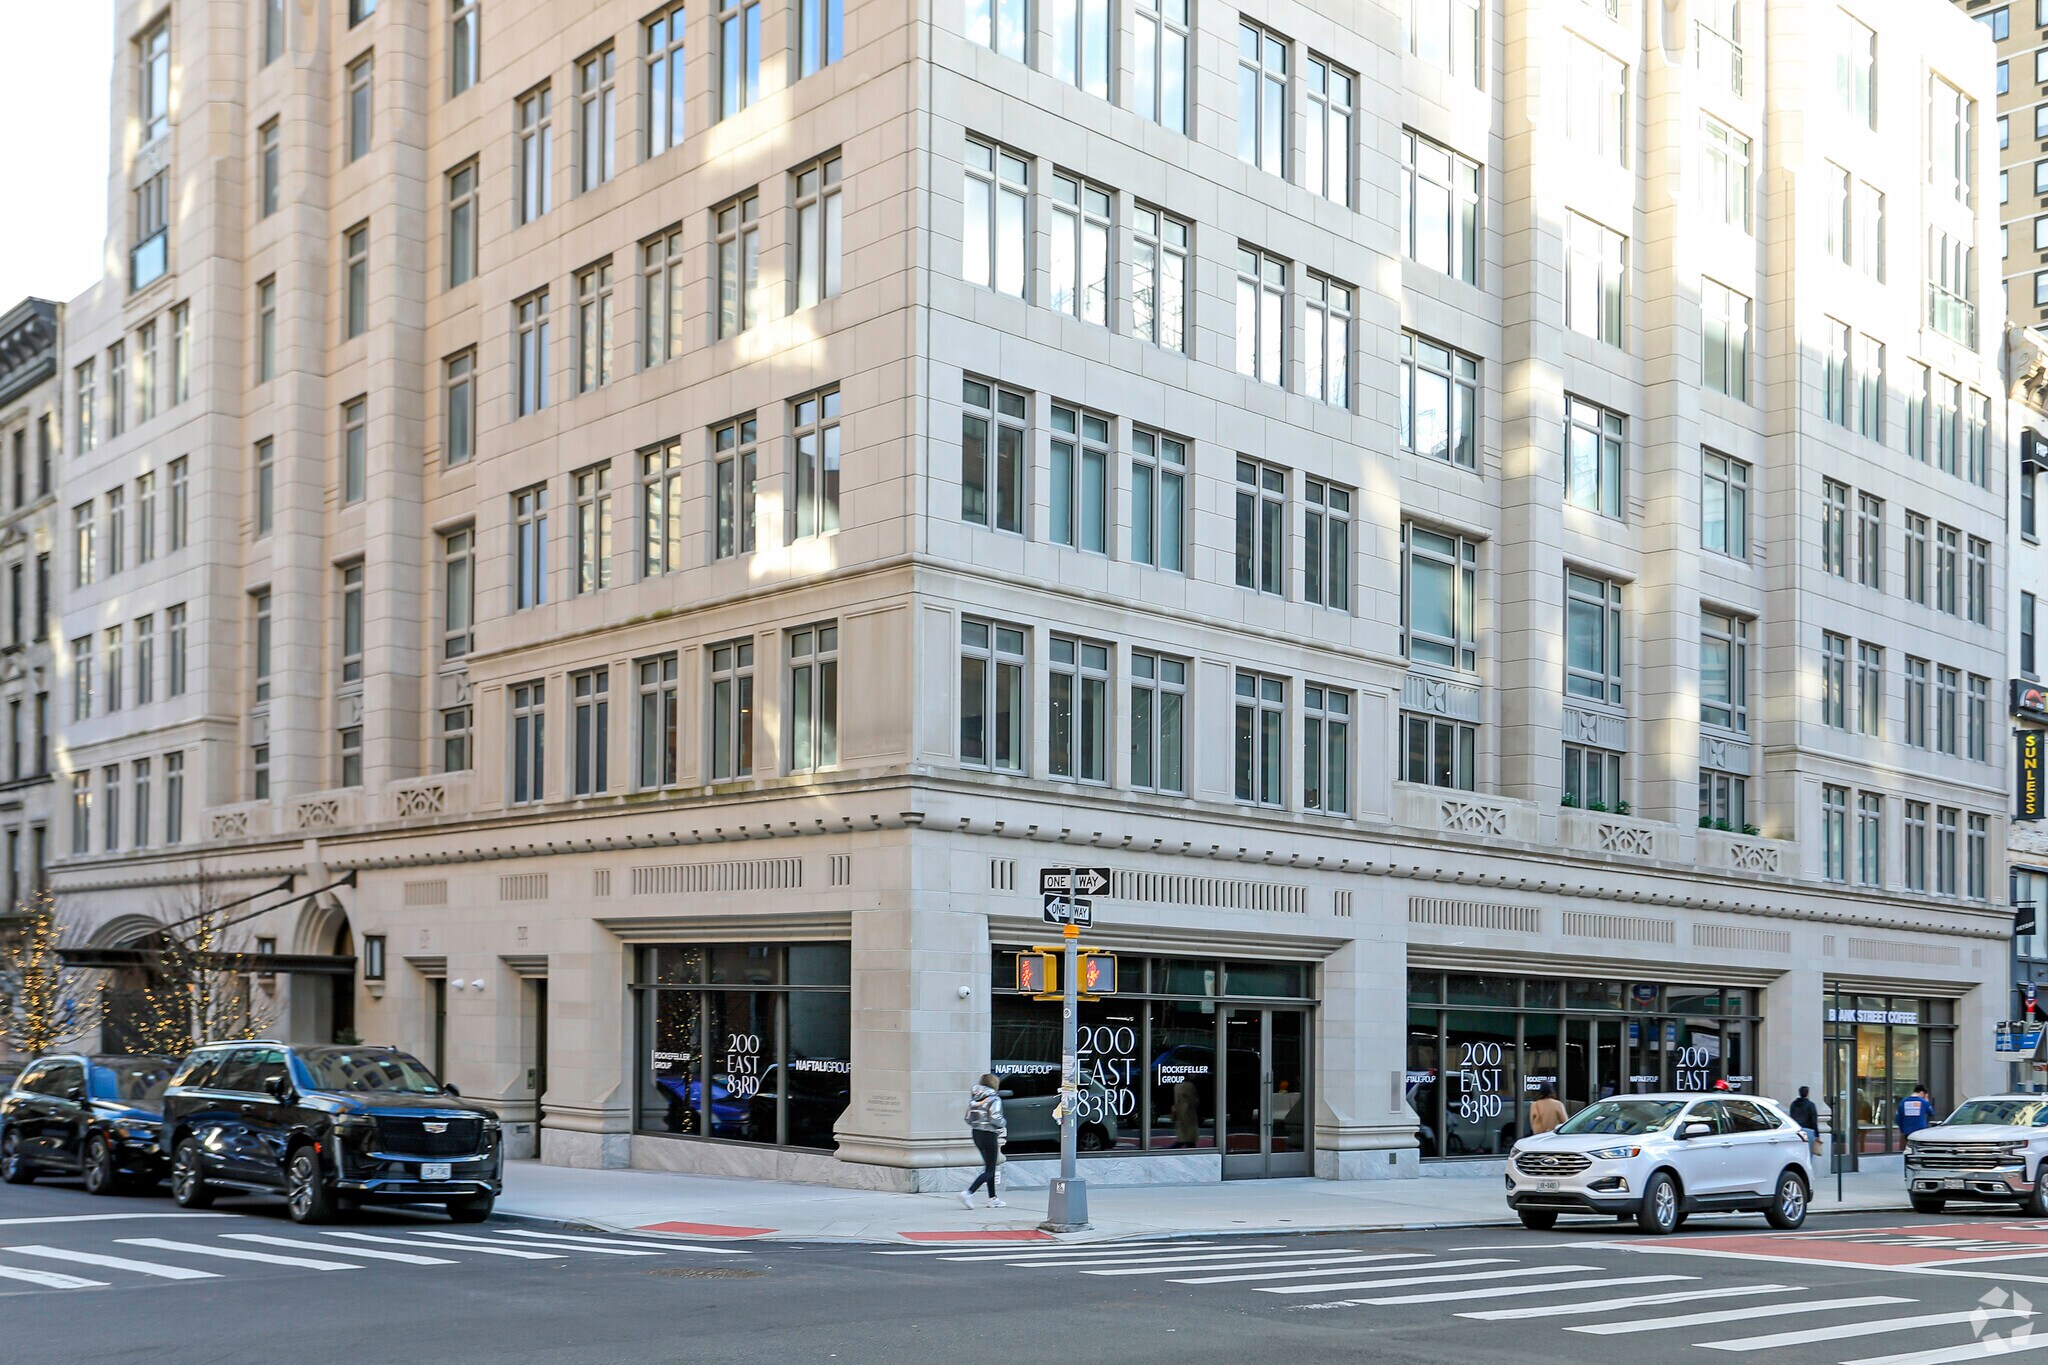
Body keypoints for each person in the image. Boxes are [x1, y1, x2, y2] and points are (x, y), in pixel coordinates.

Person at [961, 1073, 1007, 1209]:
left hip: (976, 1133)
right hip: (989, 1134)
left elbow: (968, 1118)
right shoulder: (994, 1099)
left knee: (989, 1166)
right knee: (990, 1169)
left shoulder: (974, 1099)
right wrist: (1003, 1123)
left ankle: (992, 1198)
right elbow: (996, 1118)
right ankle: (968, 1193)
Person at [1788, 1085, 1820, 1152]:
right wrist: (1817, 1135)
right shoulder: (1810, 1105)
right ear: (1807, 1094)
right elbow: (1814, 1121)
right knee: (1809, 1153)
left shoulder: (1793, 1104)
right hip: (1808, 1131)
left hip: (1796, 1131)